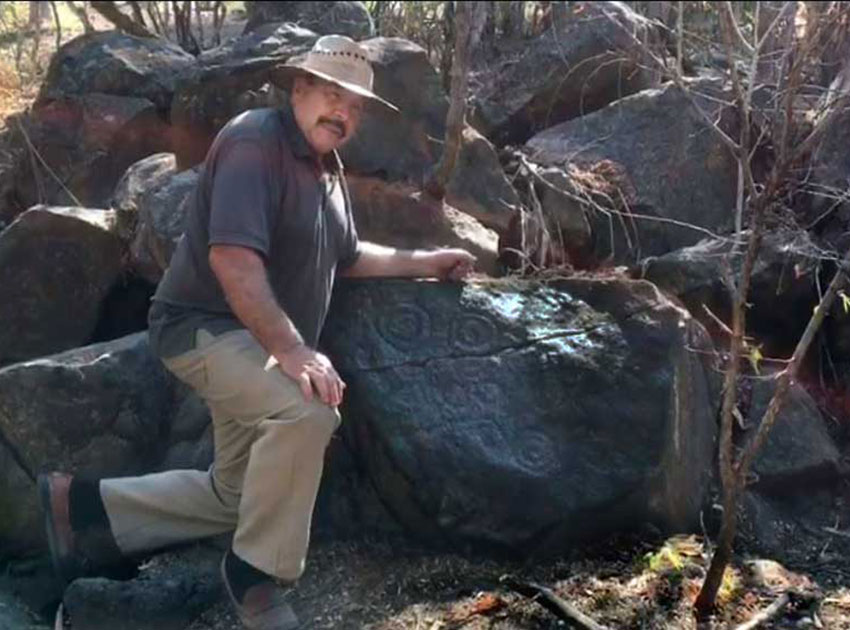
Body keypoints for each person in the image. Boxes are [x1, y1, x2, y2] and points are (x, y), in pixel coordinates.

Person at [38, 35, 475, 630]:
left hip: (251, 342)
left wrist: (428, 262)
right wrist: (294, 351)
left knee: (237, 495)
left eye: (355, 105)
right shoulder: (254, 141)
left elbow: (347, 257)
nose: (342, 112)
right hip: (204, 328)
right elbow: (233, 260)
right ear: (297, 88)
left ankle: (80, 506)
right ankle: (255, 577)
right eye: (330, 94)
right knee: (307, 411)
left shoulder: (327, 169)